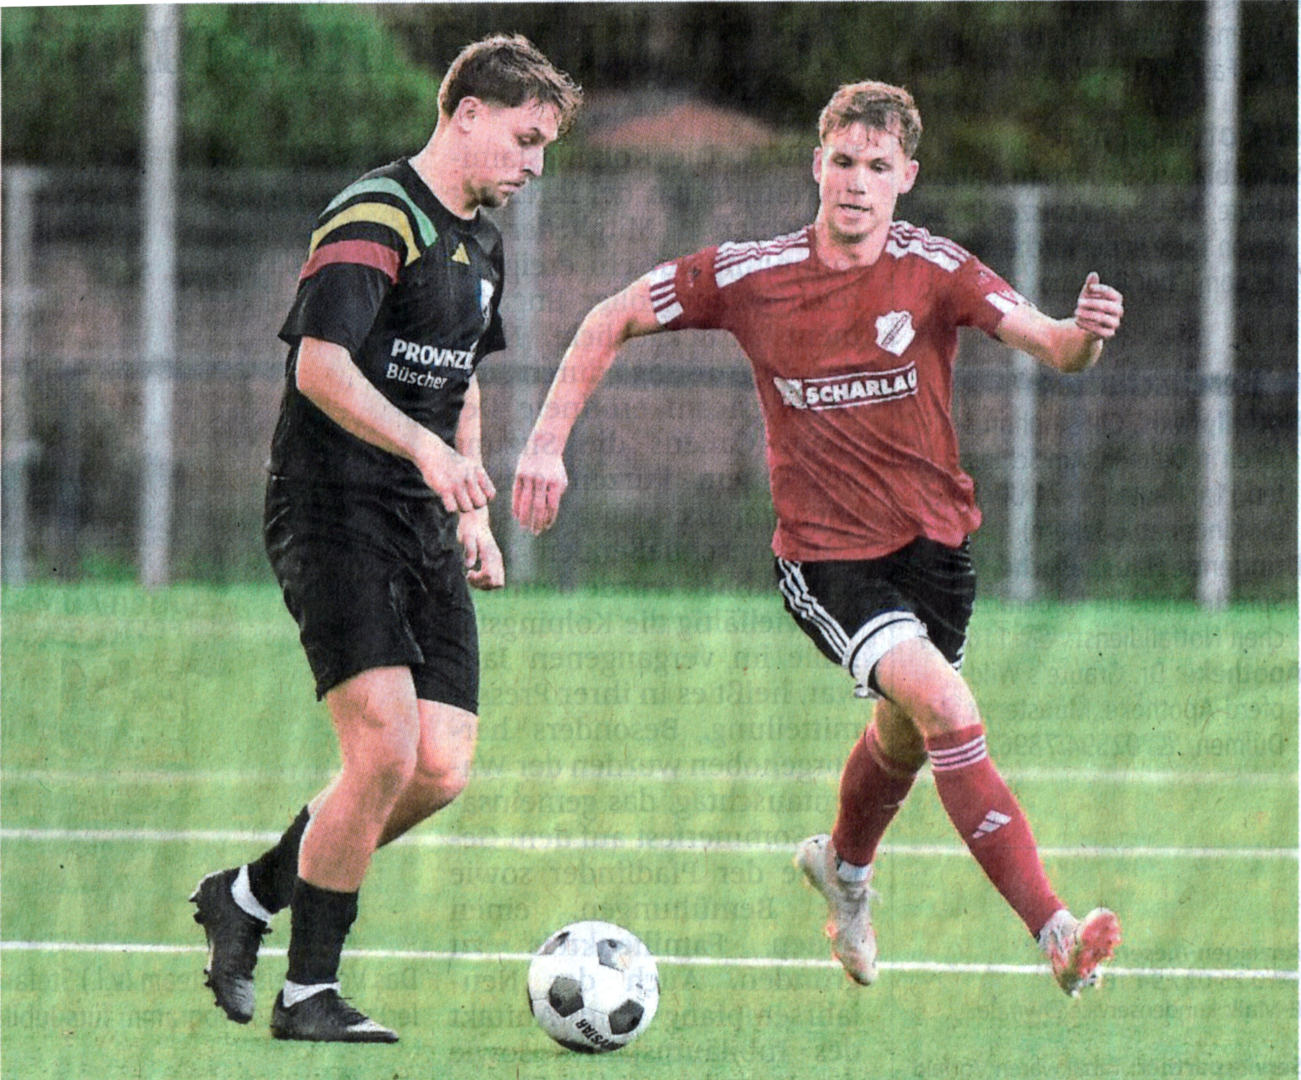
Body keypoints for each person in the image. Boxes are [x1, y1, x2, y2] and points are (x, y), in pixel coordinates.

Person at [512, 80, 1123, 997]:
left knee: (908, 735)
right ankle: (1056, 935)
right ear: (816, 165)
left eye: (878, 167)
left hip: (936, 551)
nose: (856, 182)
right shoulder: (752, 274)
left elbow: (1052, 345)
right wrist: (546, 446)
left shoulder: (936, 268)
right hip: (827, 560)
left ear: (904, 178)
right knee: (950, 713)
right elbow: (612, 316)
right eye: (843, 161)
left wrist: (1085, 336)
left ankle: (842, 871)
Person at [190, 34, 581, 1042]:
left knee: (439, 768)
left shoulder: (481, 241)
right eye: (526, 139)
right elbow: (319, 366)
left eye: (544, 148)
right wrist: (424, 454)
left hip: (417, 516)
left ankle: (245, 895)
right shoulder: (377, 212)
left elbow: (461, 380)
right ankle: (308, 992)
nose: (535, 165)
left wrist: (471, 512)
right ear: (465, 113)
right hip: (333, 507)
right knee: (382, 749)